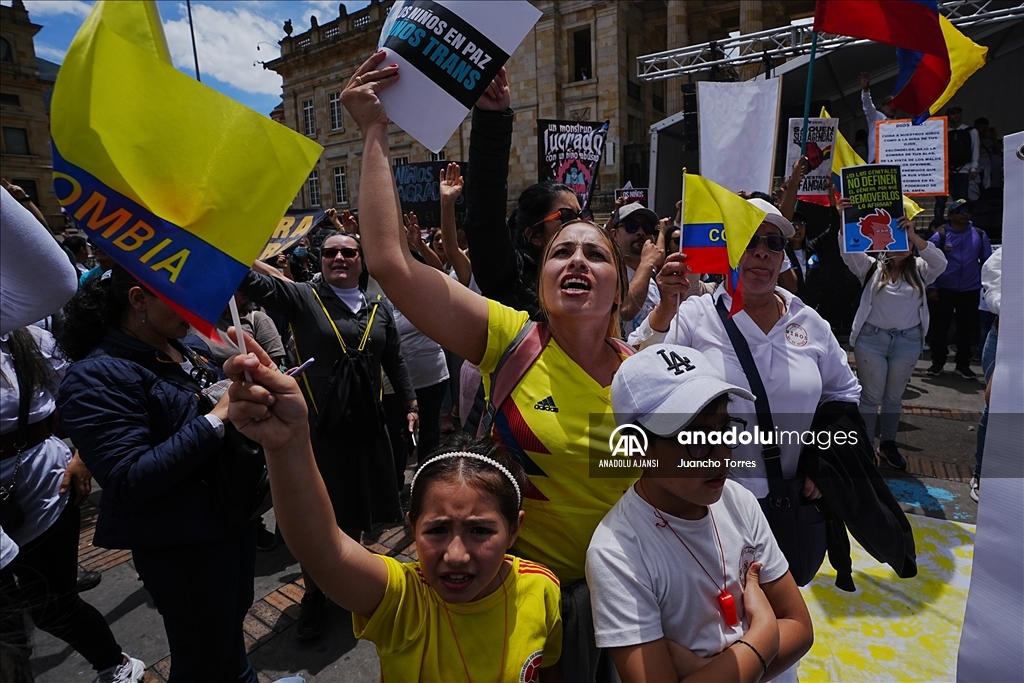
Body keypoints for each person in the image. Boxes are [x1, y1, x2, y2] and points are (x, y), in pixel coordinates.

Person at [343, 51, 636, 681]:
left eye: (596, 252)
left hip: (636, 601)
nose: (577, 260)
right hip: (528, 602)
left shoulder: (655, 375)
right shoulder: (511, 338)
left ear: (620, 284)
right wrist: (373, 132)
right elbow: (392, 264)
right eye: (562, 250)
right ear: (542, 271)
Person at [223, 341, 563, 680]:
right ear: (413, 526)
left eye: (480, 530)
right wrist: (286, 444)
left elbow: (545, 668)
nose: (456, 554)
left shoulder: (542, 589)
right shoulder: (404, 601)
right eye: (437, 530)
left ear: (514, 529)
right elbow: (323, 550)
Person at [56, 268, 258, 683]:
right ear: (137, 300)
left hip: (227, 523)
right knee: (202, 659)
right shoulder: (96, 375)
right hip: (182, 546)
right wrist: (217, 419)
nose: (196, 308)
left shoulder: (180, 348)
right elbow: (129, 478)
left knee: (228, 645)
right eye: (181, 297)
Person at [629, 198, 860, 528]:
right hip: (711, 504)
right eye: (749, 240)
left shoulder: (810, 322)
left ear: (782, 256)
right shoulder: (696, 316)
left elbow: (845, 393)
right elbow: (638, 369)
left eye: (774, 242)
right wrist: (665, 309)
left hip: (791, 498)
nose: (762, 251)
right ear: (728, 250)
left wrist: (826, 460)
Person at [588, 344, 813, 682]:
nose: (720, 452)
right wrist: (763, 635)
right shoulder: (618, 553)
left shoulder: (739, 501)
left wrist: (704, 671)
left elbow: (800, 627)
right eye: (693, 437)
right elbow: (783, 627)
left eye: (724, 427)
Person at [238, 231, 417, 640]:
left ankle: (343, 579)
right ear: (320, 259)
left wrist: (410, 404)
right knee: (315, 516)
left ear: (361, 259)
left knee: (352, 511)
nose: (339, 257)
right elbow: (253, 282)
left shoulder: (377, 306)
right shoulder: (302, 297)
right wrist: (233, 247)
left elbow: (394, 358)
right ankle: (314, 595)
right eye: (330, 252)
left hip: (366, 427)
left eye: (348, 251)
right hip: (317, 430)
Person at [1, 324, 145, 682]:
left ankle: (117, 664)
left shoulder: (28, 339)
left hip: (43, 487)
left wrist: (83, 454)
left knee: (52, 606)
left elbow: (79, 397)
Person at [461, 67, 592, 321]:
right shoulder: (512, 282)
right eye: (566, 217)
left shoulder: (596, 277)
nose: (579, 225)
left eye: (583, 216)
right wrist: (491, 118)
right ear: (534, 236)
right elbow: (484, 216)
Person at [841, 208, 947, 469]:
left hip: (907, 341)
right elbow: (848, 252)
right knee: (871, 396)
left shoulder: (921, 270)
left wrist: (916, 236)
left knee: (893, 397)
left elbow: (940, 263)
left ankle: (887, 444)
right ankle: (864, 446)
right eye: (896, 238)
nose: (901, 245)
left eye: (906, 240)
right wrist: (845, 219)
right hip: (871, 340)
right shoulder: (871, 268)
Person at [926, 199, 992, 378]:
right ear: (951, 215)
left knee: (966, 328)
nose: (965, 214)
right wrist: (932, 286)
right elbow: (929, 261)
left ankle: (963, 364)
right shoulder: (940, 236)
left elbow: (988, 262)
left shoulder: (979, 234)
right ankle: (937, 362)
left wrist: (986, 287)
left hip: (970, 289)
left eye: (968, 211)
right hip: (944, 289)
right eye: (960, 210)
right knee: (940, 327)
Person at [971, 246, 1001, 502]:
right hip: (1008, 337)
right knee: (995, 407)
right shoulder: (1012, 250)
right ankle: (982, 472)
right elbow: (994, 296)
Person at [608, 202, 664, 335]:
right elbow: (626, 312)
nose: (640, 233)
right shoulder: (609, 273)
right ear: (615, 235)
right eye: (631, 227)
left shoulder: (652, 275)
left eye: (647, 228)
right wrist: (647, 263)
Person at [935, 107, 980, 220]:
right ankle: (938, 223)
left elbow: (975, 149)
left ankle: (961, 221)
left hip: (963, 170)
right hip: (945, 171)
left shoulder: (970, 131)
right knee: (940, 201)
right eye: (953, 114)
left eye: (958, 113)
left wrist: (974, 167)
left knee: (961, 200)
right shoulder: (943, 132)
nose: (956, 116)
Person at [859, 72, 893, 164]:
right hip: (875, 160)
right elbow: (867, 105)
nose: (892, 107)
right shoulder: (875, 116)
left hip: (891, 160)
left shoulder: (898, 123)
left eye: (894, 105)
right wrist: (866, 90)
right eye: (889, 104)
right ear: (882, 107)